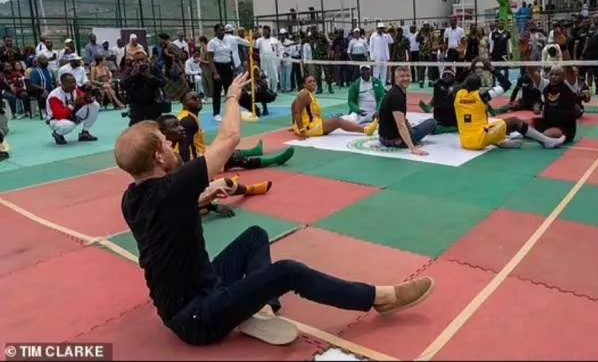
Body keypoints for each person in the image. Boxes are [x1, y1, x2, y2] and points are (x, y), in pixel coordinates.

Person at [114, 72, 435, 347]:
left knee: (255, 235)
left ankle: (259, 308)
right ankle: (381, 298)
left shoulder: (132, 198)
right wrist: (232, 96)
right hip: (197, 318)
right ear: (158, 157)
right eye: (165, 143)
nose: (172, 145)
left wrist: (205, 195)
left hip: (195, 292)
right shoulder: (173, 189)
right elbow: (229, 138)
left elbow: (165, 220)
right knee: (288, 271)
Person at [454, 63, 565, 151]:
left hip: (465, 141)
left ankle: (499, 141)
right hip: (479, 139)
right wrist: (492, 69)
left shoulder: (457, 95)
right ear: (479, 86)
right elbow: (506, 84)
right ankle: (547, 141)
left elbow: (457, 81)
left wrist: (469, 69)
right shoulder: (482, 96)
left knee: (492, 124)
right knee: (514, 121)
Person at [174, 90, 294, 171]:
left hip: (200, 156)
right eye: (193, 99)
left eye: (199, 97)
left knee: (228, 149)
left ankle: (254, 150)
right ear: (183, 103)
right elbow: (183, 148)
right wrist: (187, 172)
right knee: (235, 159)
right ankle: (273, 161)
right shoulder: (188, 121)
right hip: (197, 164)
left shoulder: (187, 116)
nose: (198, 100)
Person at [291, 74, 377, 138]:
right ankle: (366, 130)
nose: (313, 83)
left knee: (335, 119)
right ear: (304, 85)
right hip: (309, 127)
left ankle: (364, 129)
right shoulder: (304, 94)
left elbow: (293, 105)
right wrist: (301, 130)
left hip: (311, 124)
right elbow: (297, 112)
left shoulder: (304, 92)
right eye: (310, 82)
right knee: (338, 122)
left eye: (314, 81)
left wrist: (294, 125)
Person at [378, 66, 436, 156]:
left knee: (409, 125)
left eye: (408, 76)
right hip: (395, 140)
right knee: (432, 122)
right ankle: (405, 141)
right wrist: (412, 148)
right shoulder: (397, 96)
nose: (406, 78)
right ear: (396, 78)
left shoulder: (396, 91)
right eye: (402, 76)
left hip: (383, 137)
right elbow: (400, 125)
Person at [46, 72, 100, 145]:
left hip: (70, 114)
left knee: (94, 105)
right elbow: (60, 115)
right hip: (55, 120)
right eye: (70, 83)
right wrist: (74, 104)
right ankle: (57, 134)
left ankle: (84, 133)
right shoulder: (54, 96)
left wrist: (89, 98)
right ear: (62, 84)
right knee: (69, 125)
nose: (74, 84)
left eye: (74, 81)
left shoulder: (75, 89)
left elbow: (83, 99)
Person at [121, 52, 168, 126]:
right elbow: (123, 85)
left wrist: (150, 77)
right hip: (136, 105)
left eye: (142, 60)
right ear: (133, 62)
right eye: (137, 61)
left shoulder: (153, 68)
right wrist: (132, 76)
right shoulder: (130, 70)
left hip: (153, 104)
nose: (140, 63)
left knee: (155, 127)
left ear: (147, 60)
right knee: (136, 130)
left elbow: (163, 82)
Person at [418, 67, 459, 133]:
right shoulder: (438, 84)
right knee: (430, 127)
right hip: (439, 116)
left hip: (452, 117)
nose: (446, 77)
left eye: (449, 75)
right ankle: (430, 106)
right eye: (445, 75)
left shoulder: (457, 85)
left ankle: (453, 128)